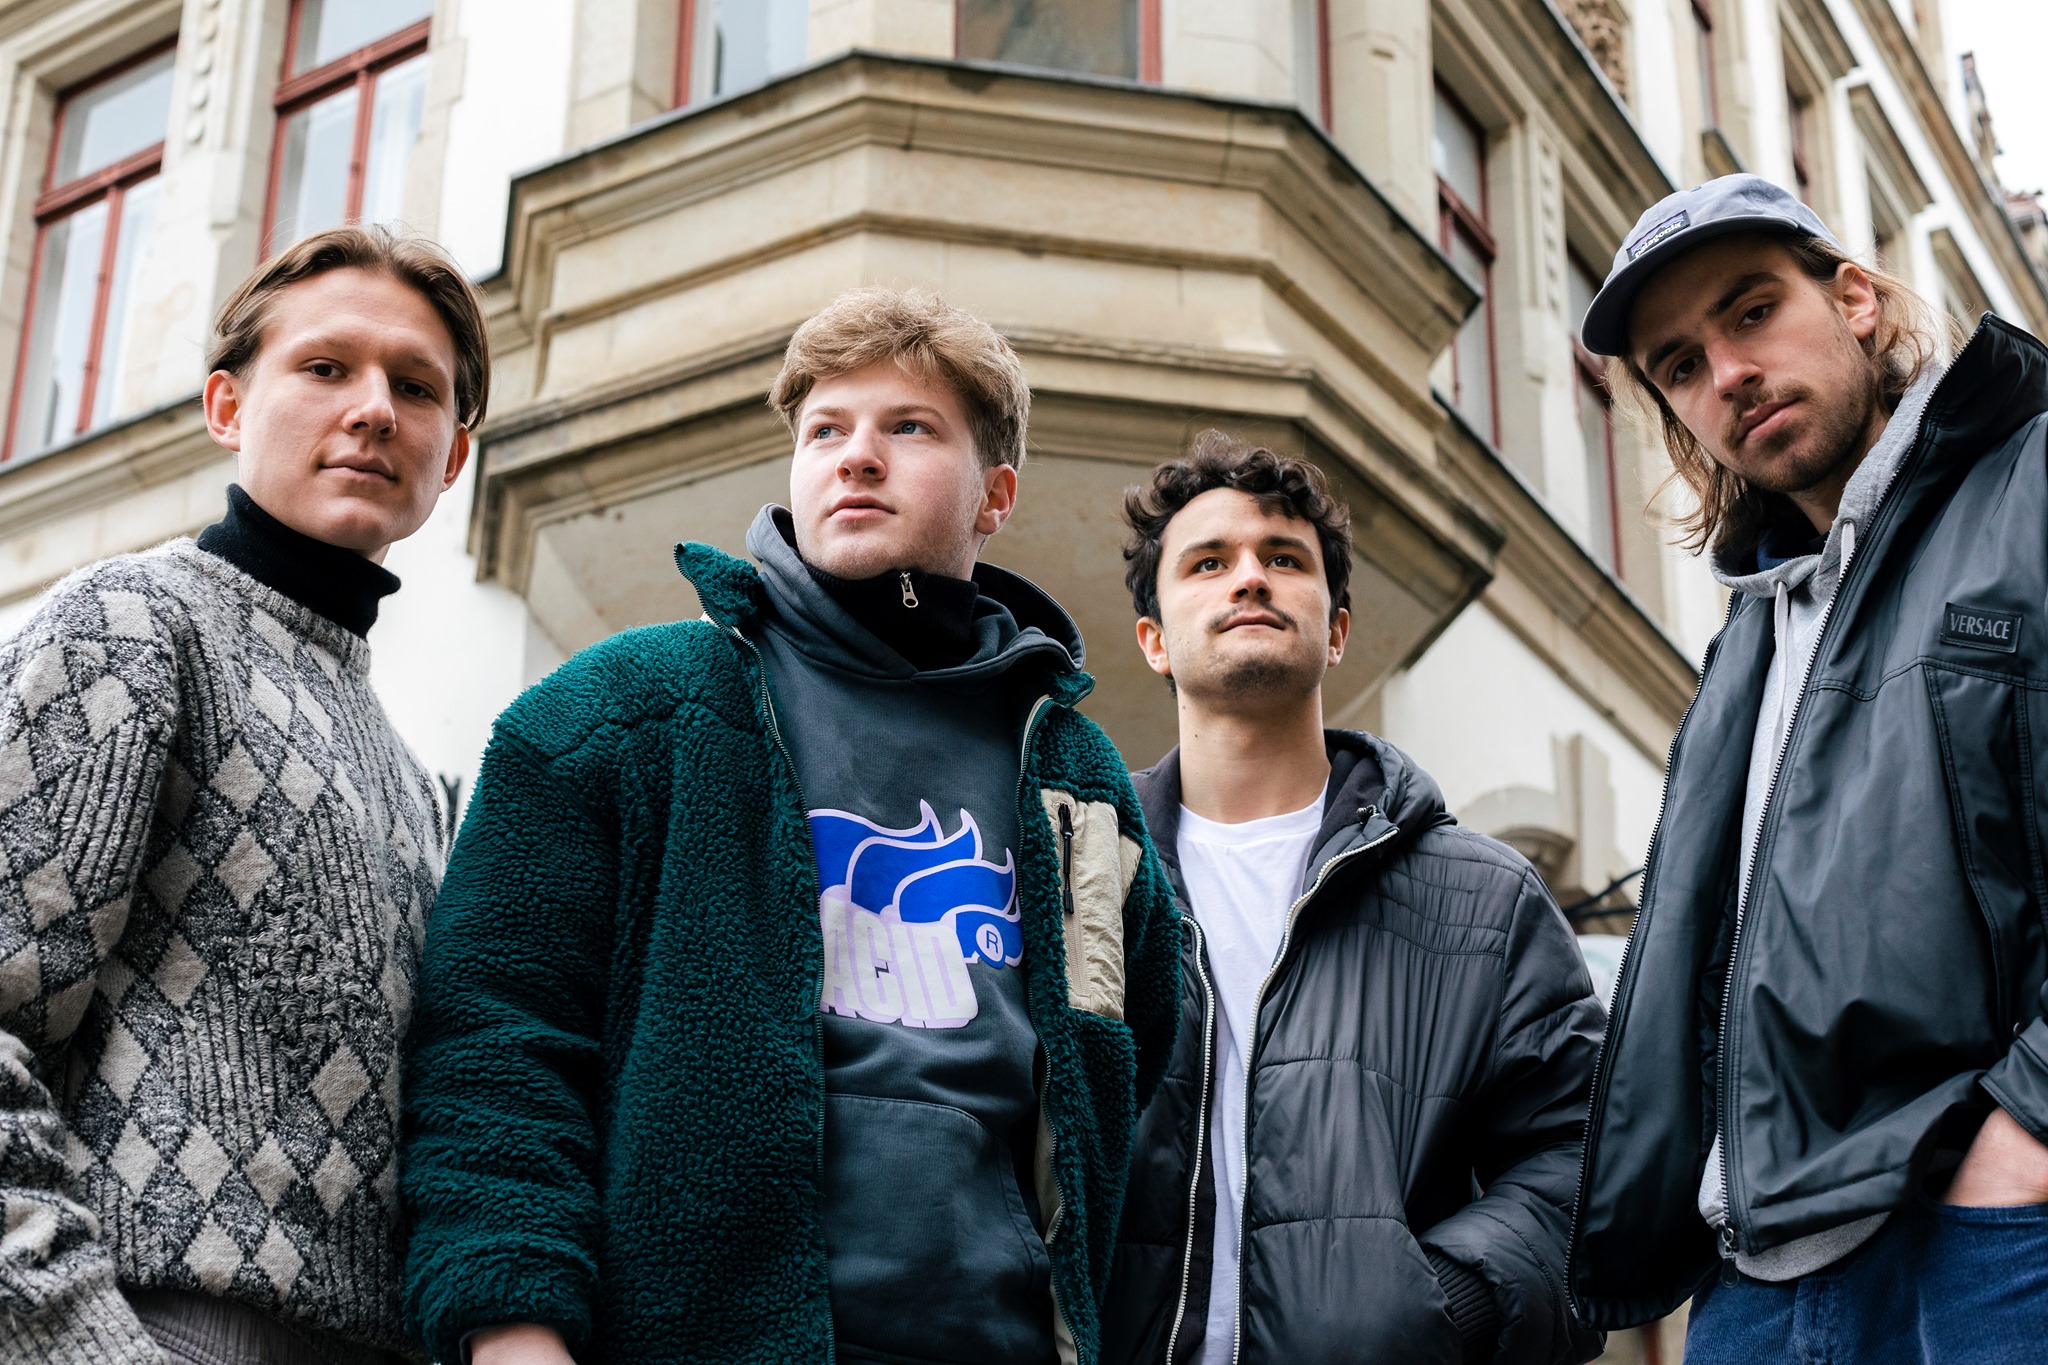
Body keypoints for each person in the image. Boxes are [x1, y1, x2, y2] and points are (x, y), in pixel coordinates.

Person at [401, 287, 1182, 1365]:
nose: (857, 456)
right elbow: (496, 1046)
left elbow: (1129, 1078)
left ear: (994, 495)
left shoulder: (1077, 778)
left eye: (909, 427)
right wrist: (513, 1335)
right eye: (825, 430)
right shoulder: (618, 714)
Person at [1568, 174, 2048, 1362]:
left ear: (1852, 300)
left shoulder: (2031, 483)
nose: (1728, 374)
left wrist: (2024, 1131)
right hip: (1753, 1286)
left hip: (1981, 1236)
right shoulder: (1749, 637)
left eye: (1750, 312)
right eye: (1680, 366)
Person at [0, 225, 487, 1364]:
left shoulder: (415, 782)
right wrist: (76, 1339)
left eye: (416, 387)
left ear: (453, 455)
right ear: (227, 405)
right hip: (150, 1325)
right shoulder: (129, 627)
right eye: (326, 367)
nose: (374, 409)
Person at [1101, 433, 1604, 1365]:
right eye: (1208, 562)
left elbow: (1585, 1156)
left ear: (1336, 631)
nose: (1249, 578)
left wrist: (1442, 1306)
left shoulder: (1485, 899)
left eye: (1283, 558)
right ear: (1155, 641)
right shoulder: (1087, 877)